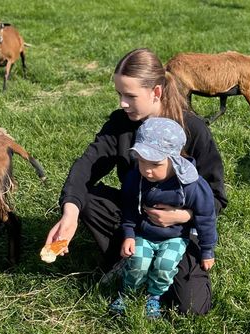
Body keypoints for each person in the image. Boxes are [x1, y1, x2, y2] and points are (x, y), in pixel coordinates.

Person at [45, 48, 228, 315]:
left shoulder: (192, 129)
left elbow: (216, 196)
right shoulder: (121, 124)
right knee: (85, 197)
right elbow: (86, 165)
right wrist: (70, 213)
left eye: (130, 96)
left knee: (192, 308)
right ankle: (126, 259)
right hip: (135, 216)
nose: (122, 103)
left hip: (180, 232)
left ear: (156, 92)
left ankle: (156, 273)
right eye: (119, 94)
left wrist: (183, 215)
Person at [109, 117, 218, 319]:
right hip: (144, 233)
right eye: (141, 161)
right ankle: (127, 292)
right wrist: (129, 234)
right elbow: (130, 208)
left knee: (165, 265)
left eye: (155, 163)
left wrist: (207, 250)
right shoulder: (136, 178)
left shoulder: (192, 185)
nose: (147, 169)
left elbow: (206, 217)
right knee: (137, 262)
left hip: (175, 237)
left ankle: (154, 295)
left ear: (174, 159)